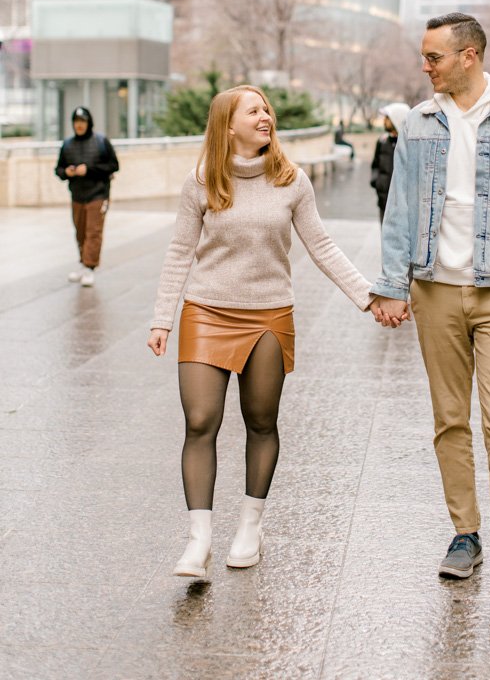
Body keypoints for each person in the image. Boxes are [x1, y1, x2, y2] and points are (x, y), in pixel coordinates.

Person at [147, 86, 395, 579]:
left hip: (267, 314)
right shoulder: (201, 181)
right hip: (207, 310)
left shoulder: (291, 181)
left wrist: (369, 296)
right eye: (253, 111)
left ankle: (249, 527)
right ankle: (198, 539)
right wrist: (162, 318)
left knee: (261, 420)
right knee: (200, 421)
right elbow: (179, 251)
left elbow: (322, 246)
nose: (266, 116)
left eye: (266, 109)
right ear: (228, 124)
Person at [370, 13, 490, 608]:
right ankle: (465, 534)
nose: (424, 66)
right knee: (450, 418)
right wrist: (393, 286)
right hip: (435, 289)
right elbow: (399, 210)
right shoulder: (420, 123)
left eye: (434, 57)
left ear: (469, 56)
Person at [55, 106, 119, 288]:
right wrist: (67, 172)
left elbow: (114, 165)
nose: (79, 125)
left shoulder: (101, 142)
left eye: (82, 122)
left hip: (98, 194)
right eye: (76, 122)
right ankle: (83, 263)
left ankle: (90, 267)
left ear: (88, 123)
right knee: (80, 231)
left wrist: (89, 170)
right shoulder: (67, 145)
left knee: (93, 231)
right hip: (77, 196)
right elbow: (58, 169)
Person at [370, 103, 411, 222]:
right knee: (384, 234)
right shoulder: (382, 141)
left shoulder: (409, 143)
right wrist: (376, 182)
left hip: (403, 202)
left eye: (387, 118)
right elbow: (375, 165)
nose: (384, 121)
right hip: (384, 198)